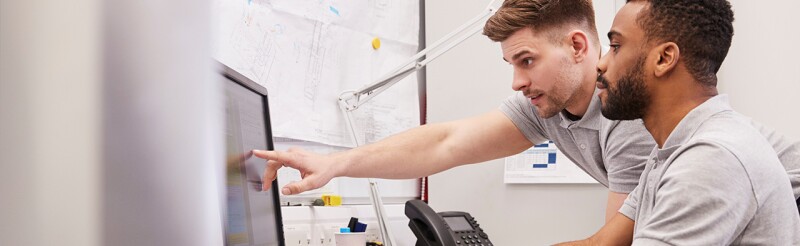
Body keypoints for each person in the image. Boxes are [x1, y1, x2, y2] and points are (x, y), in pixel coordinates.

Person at [254, 0, 800, 222]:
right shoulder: (547, 106)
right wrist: (336, 162)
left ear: (579, 48)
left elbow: (614, 241)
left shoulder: (632, 119)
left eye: (527, 60)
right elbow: (445, 143)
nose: (516, 81)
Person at [559, 0, 800, 244]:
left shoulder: (711, 159)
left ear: (664, 58)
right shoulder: (671, 151)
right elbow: (599, 244)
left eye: (616, 46)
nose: (601, 63)